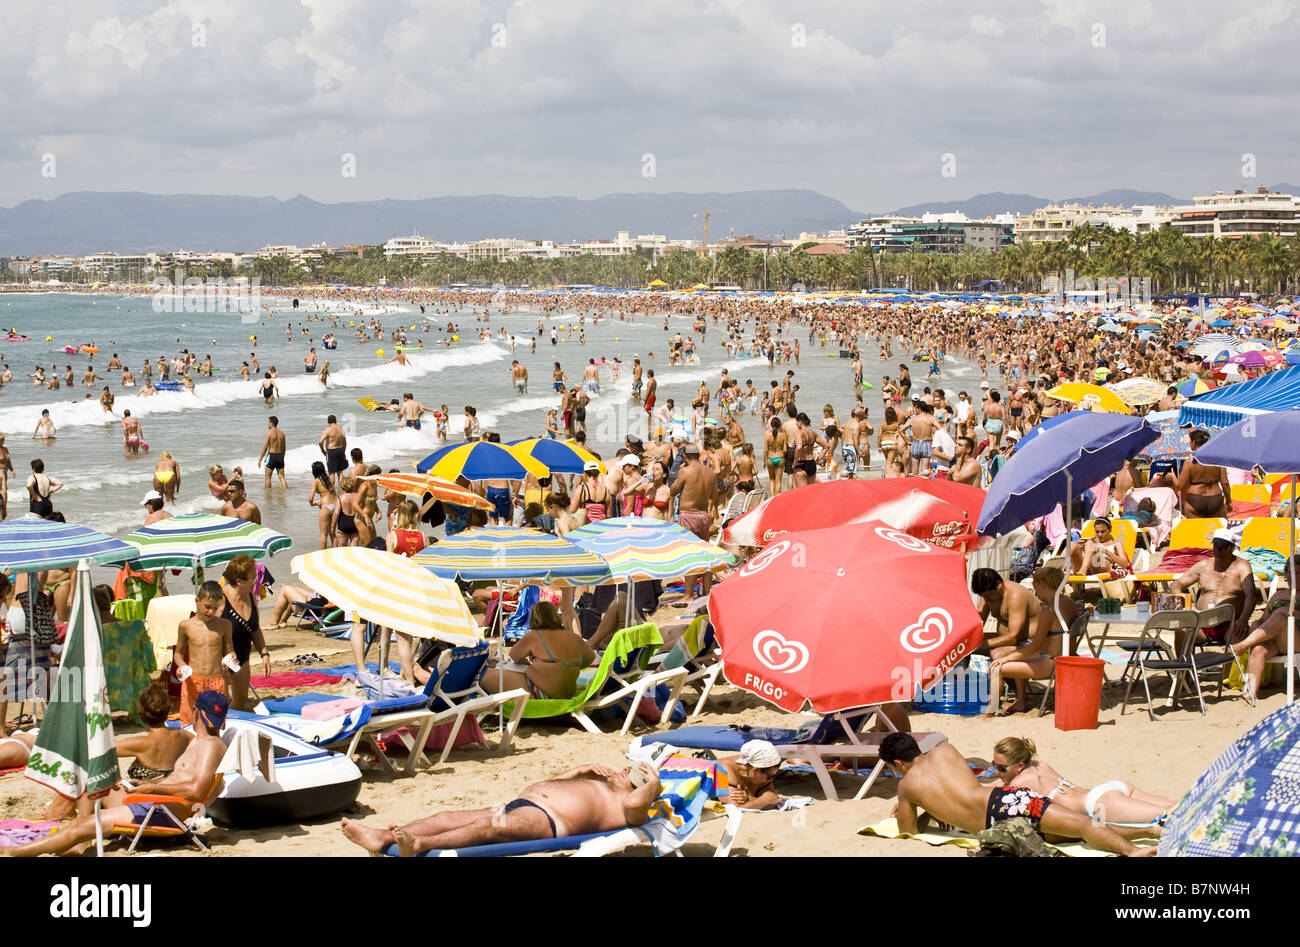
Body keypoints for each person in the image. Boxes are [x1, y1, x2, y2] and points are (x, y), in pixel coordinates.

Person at [0, 691, 235, 857]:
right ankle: (55, 840)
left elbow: (196, 790)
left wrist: (153, 788)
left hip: (162, 812)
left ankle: (13, 853)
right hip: (157, 804)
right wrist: (147, 783)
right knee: (91, 799)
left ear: (195, 712)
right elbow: (184, 780)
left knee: (79, 828)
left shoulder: (210, 746)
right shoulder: (197, 741)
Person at [878, 732, 1152, 856]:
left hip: (995, 826)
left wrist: (923, 811)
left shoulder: (907, 786)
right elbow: (958, 790)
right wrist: (932, 809)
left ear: (898, 763)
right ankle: (1150, 833)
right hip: (1004, 803)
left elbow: (909, 830)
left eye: (893, 768)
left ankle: (1132, 851)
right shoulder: (944, 750)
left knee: (1080, 827)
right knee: (1079, 828)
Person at [341, 760, 662, 855]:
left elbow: (637, 806)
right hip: (524, 806)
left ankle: (420, 844)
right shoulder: (604, 785)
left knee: (488, 829)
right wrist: (577, 772)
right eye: (627, 766)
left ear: (639, 787)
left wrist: (653, 784)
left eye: (631, 773)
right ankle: (381, 837)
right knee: (448, 816)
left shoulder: (629, 804)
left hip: (547, 822)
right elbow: (554, 786)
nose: (623, 769)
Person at [991, 736, 1175, 829]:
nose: (998, 772)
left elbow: (986, 795)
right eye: (994, 766)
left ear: (1020, 765)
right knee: (1180, 806)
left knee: (1171, 816)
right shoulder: (1041, 765)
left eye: (1002, 768)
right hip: (1109, 789)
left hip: (1100, 805)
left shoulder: (1022, 781)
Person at [480, 601, 596, 700]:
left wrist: (530, 663)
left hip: (540, 692)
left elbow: (514, 655)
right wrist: (568, 666)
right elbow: (590, 658)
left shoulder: (535, 635)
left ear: (534, 618)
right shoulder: (573, 637)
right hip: (566, 693)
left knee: (483, 674)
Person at [1230, 552, 1300, 700]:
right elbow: (1264, 619)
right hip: (1278, 640)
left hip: (1297, 638)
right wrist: (1257, 624)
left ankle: (1242, 646)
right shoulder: (1278, 595)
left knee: (1282, 615)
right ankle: (1250, 692)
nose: (1292, 576)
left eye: (1297, 573)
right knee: (1258, 650)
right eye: (1289, 572)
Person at [1171, 527, 1258, 646]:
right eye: (1215, 545)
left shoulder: (1241, 567)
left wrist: (1243, 619)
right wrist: (1179, 598)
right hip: (1202, 622)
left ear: (1232, 548)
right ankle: (1182, 664)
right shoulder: (1204, 566)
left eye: (1222, 546)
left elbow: (1251, 596)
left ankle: (1229, 665)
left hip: (1230, 623)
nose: (1217, 549)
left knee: (1239, 636)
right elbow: (1177, 584)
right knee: (1181, 630)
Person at [174, 581, 236, 725]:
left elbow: (230, 651)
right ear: (197, 601)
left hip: (217, 681)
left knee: (216, 724)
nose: (211, 612)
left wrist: (232, 657)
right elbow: (178, 653)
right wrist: (182, 665)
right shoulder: (186, 625)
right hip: (193, 681)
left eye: (215, 608)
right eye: (207, 607)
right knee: (190, 722)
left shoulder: (224, 625)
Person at [220, 556, 271, 709]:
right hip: (220, 661)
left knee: (239, 704)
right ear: (238, 581)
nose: (256, 582)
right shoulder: (220, 599)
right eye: (252, 579)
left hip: (242, 658)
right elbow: (207, 633)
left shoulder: (250, 596)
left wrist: (264, 653)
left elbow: (255, 629)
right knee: (219, 706)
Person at [1175, 428, 1233, 518]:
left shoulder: (1189, 462)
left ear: (1194, 442)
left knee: (1196, 530)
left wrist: (1172, 477)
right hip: (1215, 498)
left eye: (1190, 442)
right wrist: (1229, 501)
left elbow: (1180, 486)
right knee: (1218, 529)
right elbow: (1225, 483)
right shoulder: (1217, 460)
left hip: (1195, 498)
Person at [715, 740, 783, 810]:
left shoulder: (761, 772)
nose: (771, 780)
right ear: (755, 769)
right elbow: (734, 809)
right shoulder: (723, 770)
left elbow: (773, 802)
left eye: (775, 775)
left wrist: (749, 798)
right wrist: (762, 800)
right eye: (769, 777)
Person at [308, 460, 338, 549]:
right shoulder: (330, 479)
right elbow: (334, 494)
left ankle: (322, 556)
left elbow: (310, 498)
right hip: (335, 506)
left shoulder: (316, 481)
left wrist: (313, 504)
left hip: (325, 507)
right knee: (332, 533)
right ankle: (336, 553)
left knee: (323, 535)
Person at [318, 414, 348, 487]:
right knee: (340, 473)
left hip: (332, 452)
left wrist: (323, 450)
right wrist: (343, 451)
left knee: (331, 473)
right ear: (336, 421)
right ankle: (342, 490)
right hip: (340, 450)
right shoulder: (341, 429)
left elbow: (320, 441)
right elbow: (345, 442)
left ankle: (331, 492)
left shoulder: (328, 430)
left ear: (328, 422)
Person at [258, 416, 288, 488]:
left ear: (271, 423)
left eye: (268, 422)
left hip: (272, 455)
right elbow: (284, 448)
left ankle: (268, 496)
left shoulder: (269, 433)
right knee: (282, 477)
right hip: (280, 456)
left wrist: (260, 459)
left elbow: (265, 447)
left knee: (268, 477)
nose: (268, 424)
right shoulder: (282, 434)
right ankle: (285, 493)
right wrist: (282, 457)